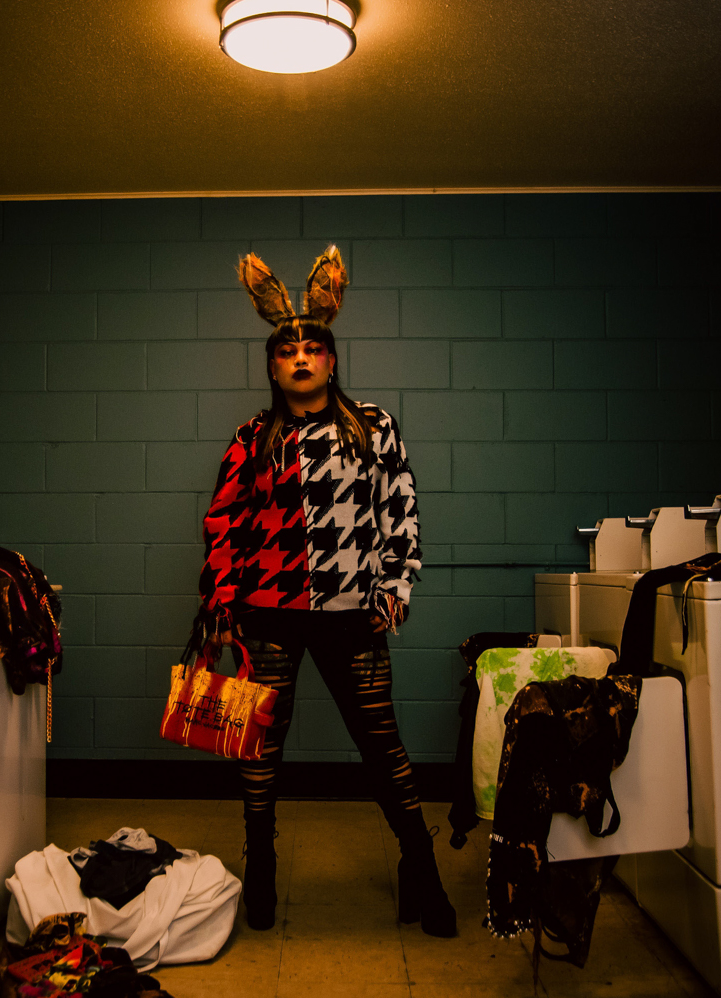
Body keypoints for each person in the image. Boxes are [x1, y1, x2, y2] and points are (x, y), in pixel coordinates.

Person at [196, 246, 456, 937]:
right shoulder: (252, 438)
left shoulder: (373, 427)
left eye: (314, 348)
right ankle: (262, 866)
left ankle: (420, 866)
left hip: (351, 618)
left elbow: (400, 508)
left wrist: (396, 585)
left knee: (384, 750)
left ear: (331, 361)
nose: (302, 358)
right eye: (289, 351)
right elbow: (222, 523)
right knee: (259, 749)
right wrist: (220, 603)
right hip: (265, 618)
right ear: (274, 366)